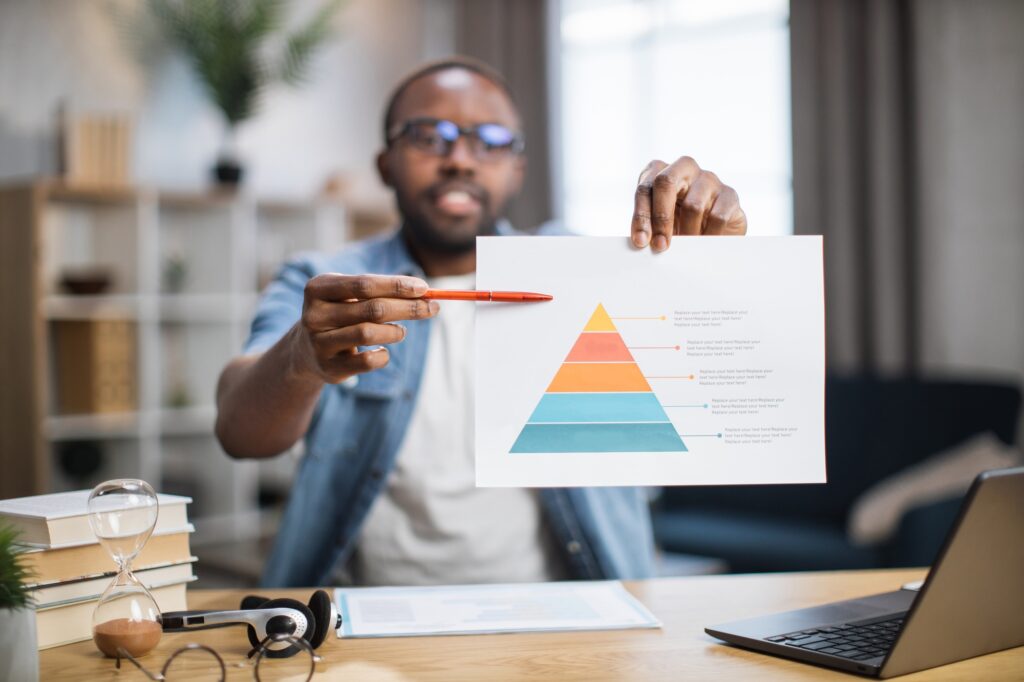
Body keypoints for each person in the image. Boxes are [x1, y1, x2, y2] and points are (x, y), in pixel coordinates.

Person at [215, 57, 747, 588]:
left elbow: (711, 376)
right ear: (385, 164)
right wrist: (300, 359)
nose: (460, 160)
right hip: (364, 626)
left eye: (489, 140)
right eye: (429, 135)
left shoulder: (587, 273)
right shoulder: (325, 283)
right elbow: (240, 433)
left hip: (574, 623)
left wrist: (707, 254)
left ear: (517, 167)